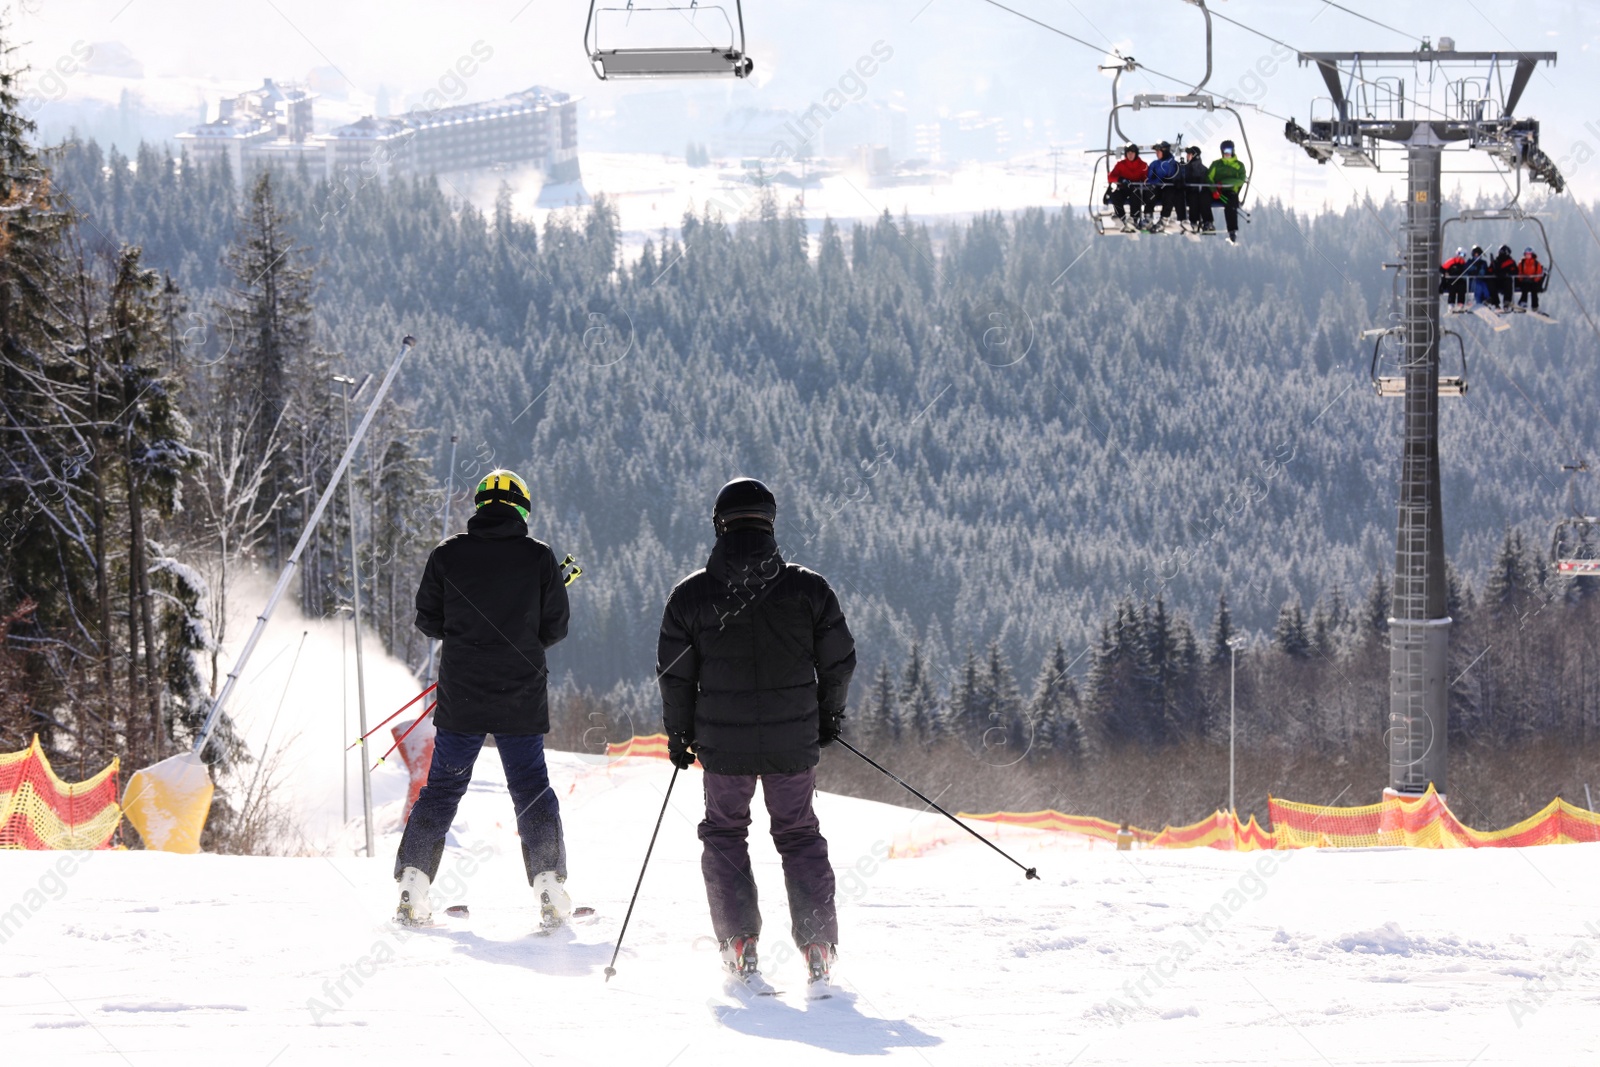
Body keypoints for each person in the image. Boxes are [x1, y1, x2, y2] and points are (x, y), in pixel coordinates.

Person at [656, 477, 857, 997]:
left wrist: (680, 736)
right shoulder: (810, 589)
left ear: (720, 524)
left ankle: (739, 944)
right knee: (798, 834)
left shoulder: (690, 595)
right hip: (794, 743)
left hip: (723, 750)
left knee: (725, 833)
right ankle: (817, 948)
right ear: (769, 522)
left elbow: (676, 677)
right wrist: (829, 717)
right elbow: (838, 662)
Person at [395, 469, 572, 929]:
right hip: (521, 695)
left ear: (480, 506)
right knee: (531, 790)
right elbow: (555, 627)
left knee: (442, 791)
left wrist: (467, 632)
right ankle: (549, 883)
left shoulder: (447, 555)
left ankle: (414, 884)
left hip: (463, 695)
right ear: (522, 507)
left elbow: (428, 620)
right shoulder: (540, 558)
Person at [1208, 140, 1247, 243]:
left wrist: (1224, 182)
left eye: (1229, 150)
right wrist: (1214, 189)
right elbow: (1209, 177)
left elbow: (1240, 180)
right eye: (1224, 150)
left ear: (1233, 150)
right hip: (1217, 192)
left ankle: (1232, 230)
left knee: (1231, 203)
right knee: (1203, 197)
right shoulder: (1216, 164)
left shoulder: (1239, 166)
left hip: (1229, 192)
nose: (1227, 153)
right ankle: (1207, 222)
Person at [1105, 143, 1149, 232]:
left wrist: (1142, 183)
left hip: (1137, 189)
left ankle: (1134, 219)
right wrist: (1120, 179)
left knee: (1135, 194)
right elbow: (1110, 177)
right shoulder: (1121, 165)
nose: (1130, 155)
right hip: (1124, 188)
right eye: (1128, 153)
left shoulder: (1143, 165)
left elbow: (1147, 179)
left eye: (1132, 153)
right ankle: (1121, 218)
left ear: (1136, 154)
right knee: (1115, 195)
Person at [1144, 141, 1181, 232]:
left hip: (1168, 190)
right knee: (1150, 191)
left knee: (1170, 193)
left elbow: (1175, 177)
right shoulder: (1154, 164)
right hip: (1157, 189)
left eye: (1158, 151)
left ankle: (1164, 219)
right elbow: (1149, 177)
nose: (1156, 154)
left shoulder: (1173, 164)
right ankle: (1148, 217)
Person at [1181, 145, 1214, 233]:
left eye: (1189, 154)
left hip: (1201, 192)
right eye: (1187, 154)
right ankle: (1194, 221)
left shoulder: (1203, 170)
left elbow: (1208, 181)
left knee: (1204, 197)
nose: (1187, 156)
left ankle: (1207, 221)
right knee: (1193, 197)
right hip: (1189, 193)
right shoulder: (1184, 168)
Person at [1490, 244, 1518, 310]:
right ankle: (1495, 302)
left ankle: (1507, 301)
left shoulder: (1510, 262)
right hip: (1497, 281)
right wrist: (1493, 272)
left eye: (1502, 252)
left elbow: (1515, 271)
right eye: (1500, 252)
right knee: (1490, 282)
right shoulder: (1495, 262)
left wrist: (1506, 273)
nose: (1500, 253)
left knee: (1508, 281)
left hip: (1505, 281)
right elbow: (1490, 270)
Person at [1517, 246, 1545, 312]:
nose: (1528, 255)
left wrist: (1535, 279)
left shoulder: (1536, 263)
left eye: (1529, 254)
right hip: (1525, 280)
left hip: (1533, 281)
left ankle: (1535, 306)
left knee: (1534, 291)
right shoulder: (1522, 263)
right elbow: (1519, 272)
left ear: (1532, 254)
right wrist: (1521, 278)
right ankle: (1523, 302)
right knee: (1525, 288)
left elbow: (1539, 273)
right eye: (1526, 254)